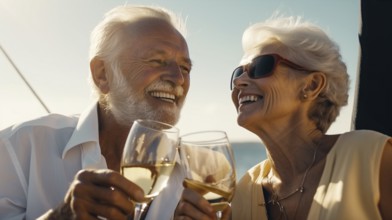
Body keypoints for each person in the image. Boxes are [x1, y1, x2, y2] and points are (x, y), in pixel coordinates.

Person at [174, 16, 392, 220]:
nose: (240, 81)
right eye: (237, 73)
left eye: (260, 67)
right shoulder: (243, 192)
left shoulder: (372, 157)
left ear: (312, 85)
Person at [0, 5, 192, 220]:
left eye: (185, 68)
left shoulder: (196, 174)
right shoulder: (17, 148)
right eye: (157, 61)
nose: (178, 79)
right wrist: (60, 217)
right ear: (102, 74)